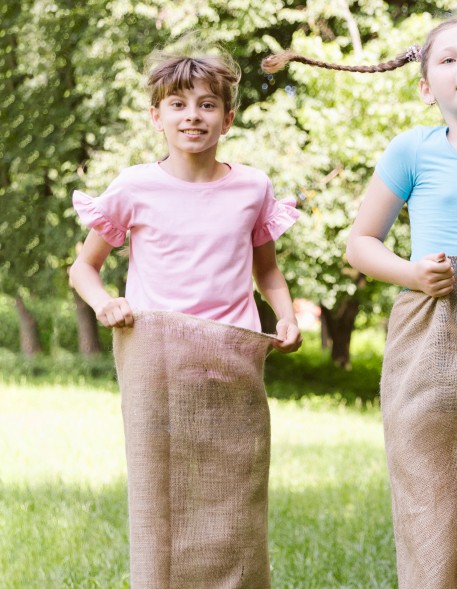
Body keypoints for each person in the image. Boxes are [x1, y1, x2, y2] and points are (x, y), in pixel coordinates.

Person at [264, 18, 457, 588]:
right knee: (429, 484)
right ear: (424, 87)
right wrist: (411, 273)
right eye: (448, 59)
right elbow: (360, 244)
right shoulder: (412, 150)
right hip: (426, 333)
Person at [68, 50, 302, 587]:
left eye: (207, 104)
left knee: (235, 491)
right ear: (157, 116)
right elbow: (84, 267)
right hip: (157, 362)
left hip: (231, 359)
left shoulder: (252, 187)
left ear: (229, 117)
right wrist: (106, 302)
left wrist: (285, 316)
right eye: (177, 104)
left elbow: (268, 273)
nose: (192, 115)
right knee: (161, 496)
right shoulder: (133, 187)